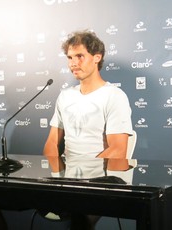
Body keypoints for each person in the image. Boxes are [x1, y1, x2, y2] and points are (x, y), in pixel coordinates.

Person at [43, 30, 133, 229]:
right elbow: (51, 144)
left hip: (101, 183)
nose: (73, 63)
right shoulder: (65, 96)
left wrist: (81, 180)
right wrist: (59, 181)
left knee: (79, 220)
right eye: (69, 58)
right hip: (67, 182)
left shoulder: (114, 96)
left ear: (97, 57)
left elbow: (118, 149)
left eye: (79, 56)